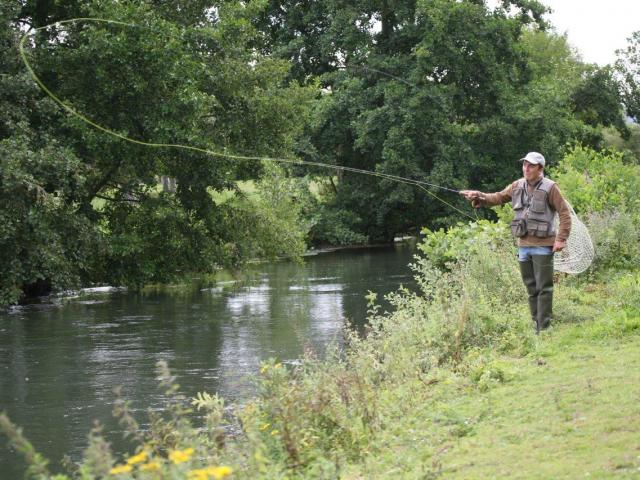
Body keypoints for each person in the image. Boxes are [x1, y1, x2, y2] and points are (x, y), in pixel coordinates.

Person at [459, 152, 571, 333]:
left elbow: (565, 214)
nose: (526, 169)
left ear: (540, 169)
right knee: (531, 288)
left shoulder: (551, 188)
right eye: (524, 165)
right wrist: (478, 195)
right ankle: (537, 326)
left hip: (543, 245)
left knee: (544, 288)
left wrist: (561, 239)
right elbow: (497, 198)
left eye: (531, 166)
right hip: (523, 246)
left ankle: (545, 328)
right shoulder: (516, 185)